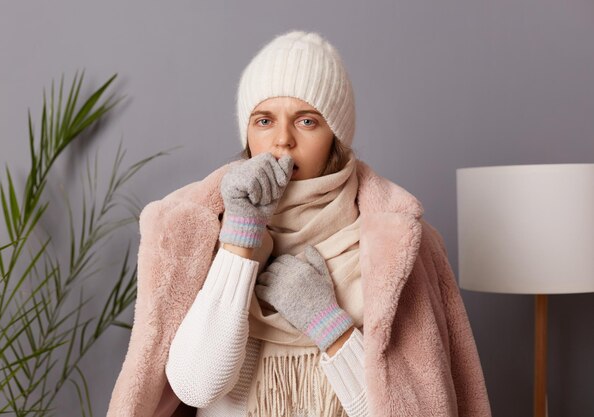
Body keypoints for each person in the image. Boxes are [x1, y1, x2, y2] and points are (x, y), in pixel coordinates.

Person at [107, 30, 492, 417]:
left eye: (306, 121)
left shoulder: (398, 243)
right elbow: (196, 387)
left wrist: (327, 323)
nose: (282, 141)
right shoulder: (200, 231)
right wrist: (241, 235)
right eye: (264, 120)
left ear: (335, 137)